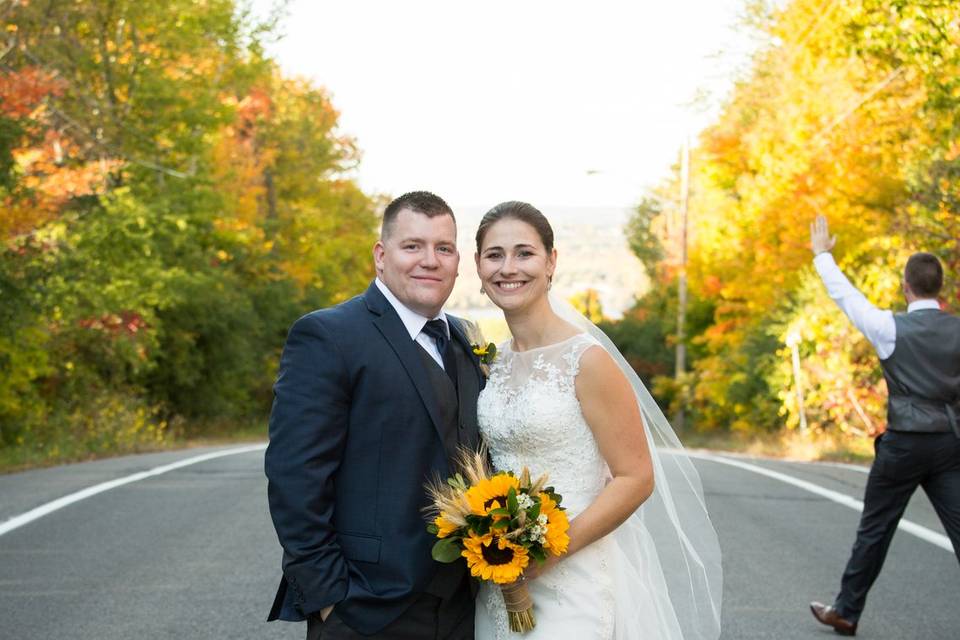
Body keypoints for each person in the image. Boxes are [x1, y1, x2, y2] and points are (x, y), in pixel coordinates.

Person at [471, 201, 722, 640]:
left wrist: (545, 555)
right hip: (498, 581)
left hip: (572, 578)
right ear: (477, 265)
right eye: (495, 255)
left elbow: (635, 477)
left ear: (551, 261)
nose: (508, 267)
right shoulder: (497, 362)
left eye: (524, 253)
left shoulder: (587, 360)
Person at [265, 191, 485, 639]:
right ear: (381, 256)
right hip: (366, 609)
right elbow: (296, 477)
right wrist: (330, 601)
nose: (430, 260)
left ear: (458, 261)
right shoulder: (328, 335)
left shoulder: (464, 339)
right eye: (413, 246)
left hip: (465, 606)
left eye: (443, 248)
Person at [808, 214, 960, 636]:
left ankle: (847, 611)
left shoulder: (890, 327)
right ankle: (845, 610)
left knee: (875, 530)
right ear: (940, 288)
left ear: (905, 286)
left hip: (904, 445)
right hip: (950, 444)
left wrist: (823, 256)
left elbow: (846, 297)